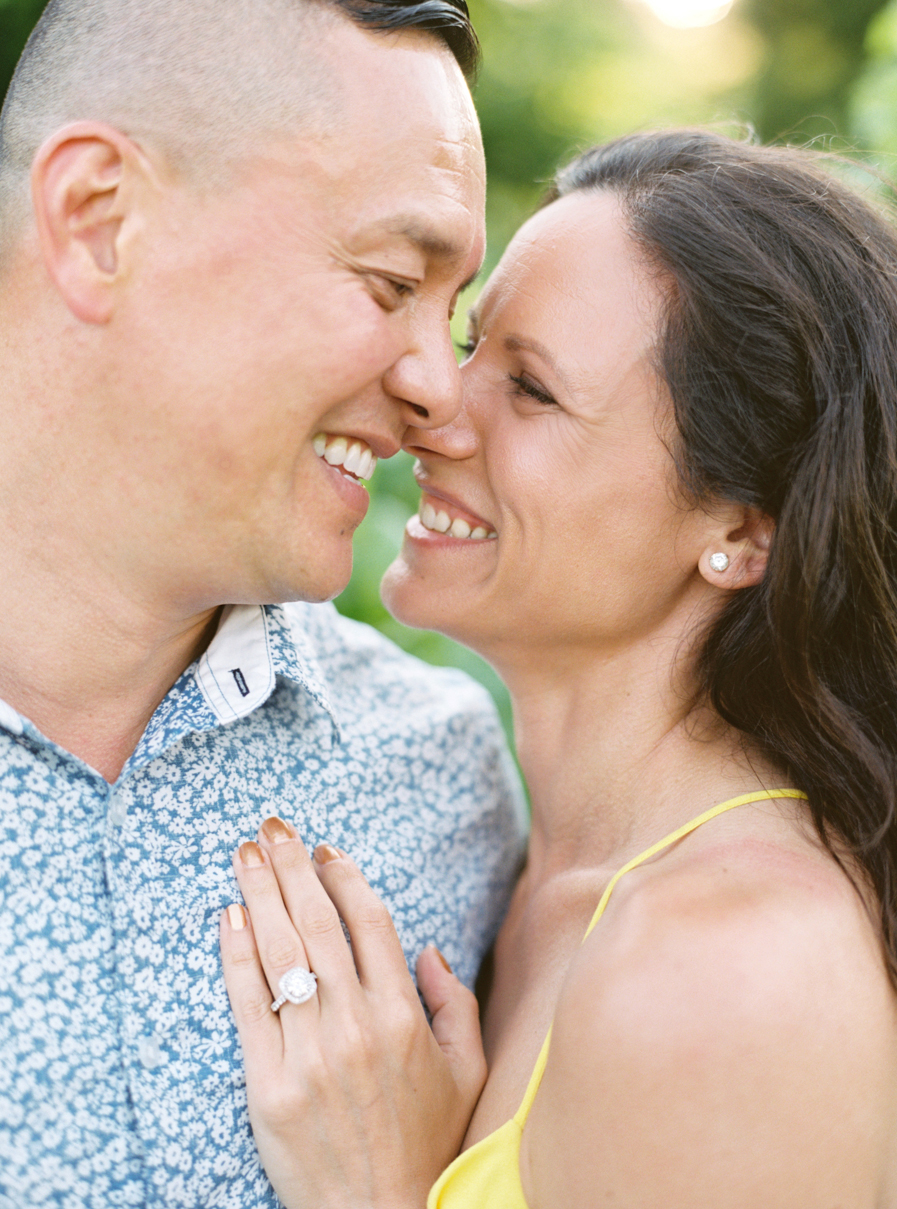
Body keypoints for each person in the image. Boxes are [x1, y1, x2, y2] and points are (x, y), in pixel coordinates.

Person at [222, 127, 897, 1208]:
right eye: (471, 341)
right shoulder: (510, 850)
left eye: (530, 389)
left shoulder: (736, 971)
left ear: (739, 526)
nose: (437, 406)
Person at [0, 1, 526, 1205]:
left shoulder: (444, 783)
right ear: (97, 221)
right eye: (391, 281)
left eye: (448, 315)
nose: (442, 397)